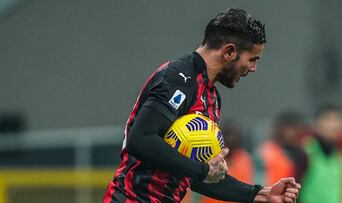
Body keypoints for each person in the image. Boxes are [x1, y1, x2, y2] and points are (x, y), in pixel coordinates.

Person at [103, 8, 301, 203]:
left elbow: (200, 178)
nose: (253, 68)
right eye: (252, 59)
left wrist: (261, 194)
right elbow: (141, 139)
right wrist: (202, 171)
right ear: (229, 52)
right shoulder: (178, 78)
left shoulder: (212, 98)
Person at [299, 104, 342, 203]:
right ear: (317, 124)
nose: (334, 125)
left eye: (338, 120)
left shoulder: (339, 156)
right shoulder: (306, 151)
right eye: (328, 119)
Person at [256, 111, 308, 186]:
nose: (290, 133)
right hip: (269, 193)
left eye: (294, 128)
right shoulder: (266, 151)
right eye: (287, 128)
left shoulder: (302, 155)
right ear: (278, 129)